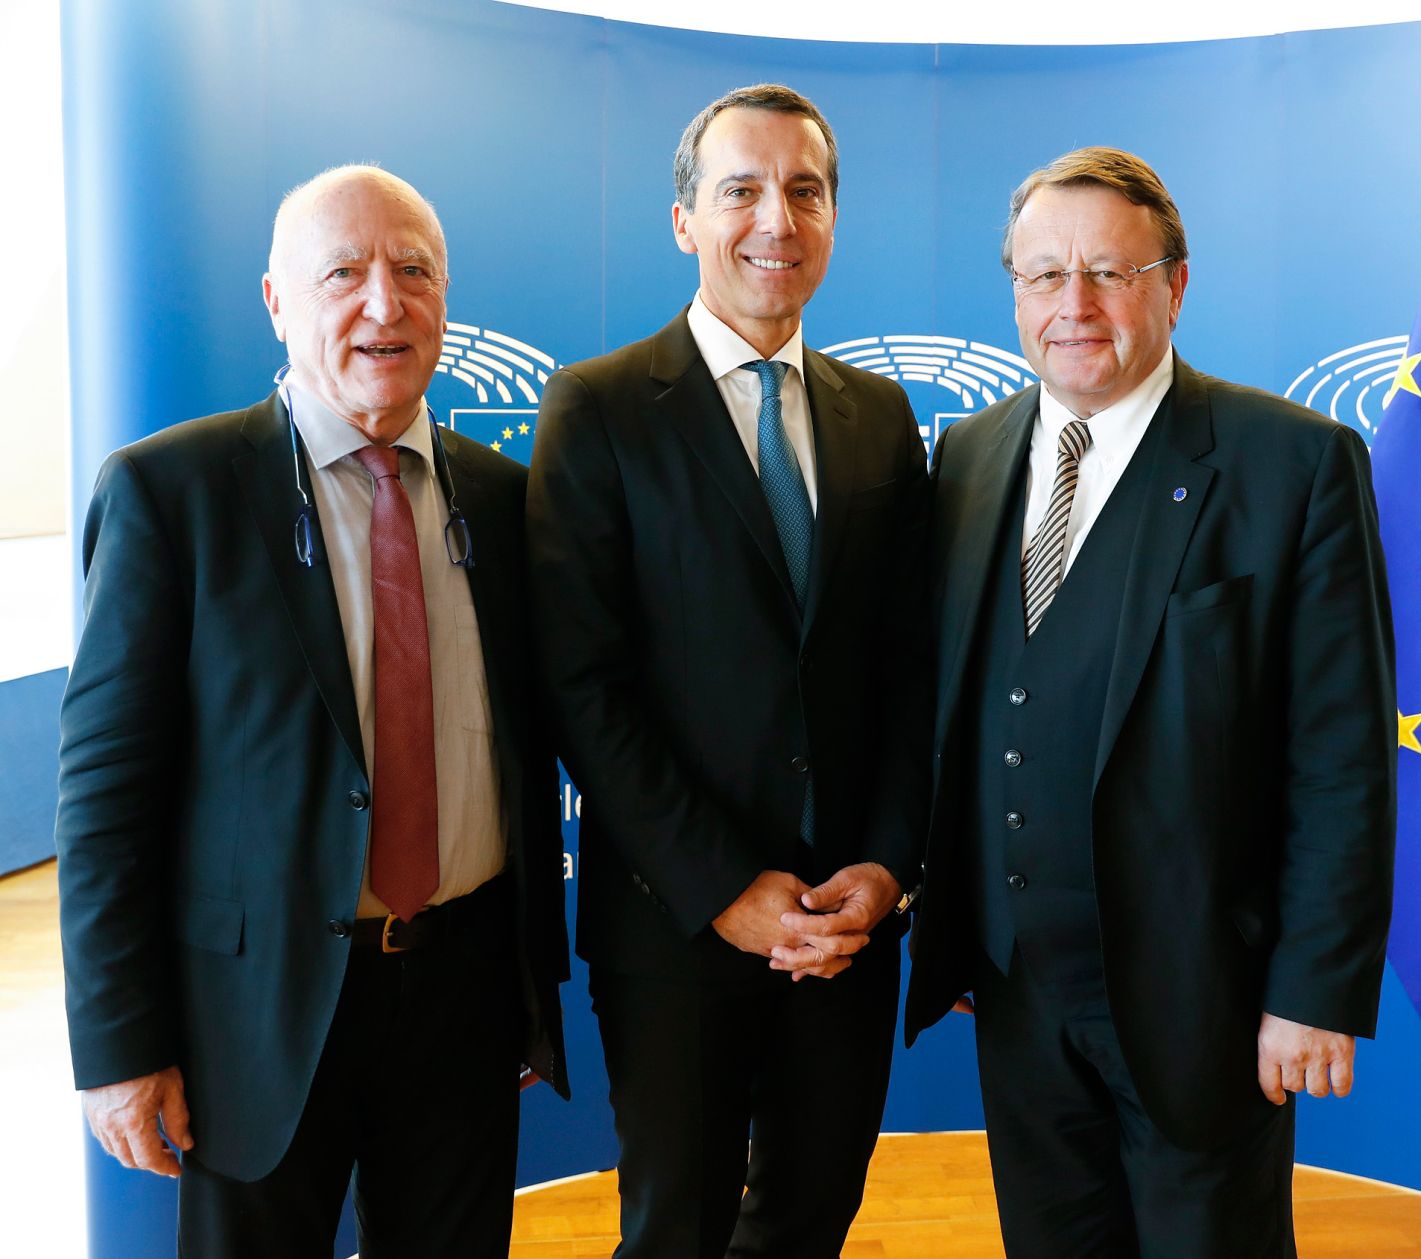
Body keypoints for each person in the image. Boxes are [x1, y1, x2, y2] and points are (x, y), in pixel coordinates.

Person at [55, 165, 569, 1258]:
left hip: (463, 991)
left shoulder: (507, 499)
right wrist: (115, 1043)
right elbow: (104, 796)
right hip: (254, 1012)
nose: (383, 303)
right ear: (277, 301)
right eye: (343, 273)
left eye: (413, 272)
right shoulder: (171, 492)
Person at [903, 146, 1397, 1258]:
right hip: (1015, 988)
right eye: (1042, 276)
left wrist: (1311, 988)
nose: (1071, 304)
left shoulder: (1293, 463)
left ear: (1173, 284)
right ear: (1013, 291)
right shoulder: (969, 454)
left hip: (1201, 998)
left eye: (1109, 273)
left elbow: (1341, 751)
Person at [527, 84, 930, 1258]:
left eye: (803, 190)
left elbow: (910, 670)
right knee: (675, 1229)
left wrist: (890, 865)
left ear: (832, 218)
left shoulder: (877, 416)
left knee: (810, 1217)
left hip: (847, 925)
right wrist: (723, 890)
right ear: (683, 220)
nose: (775, 218)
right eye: (740, 189)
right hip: (675, 928)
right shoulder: (597, 409)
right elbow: (581, 685)